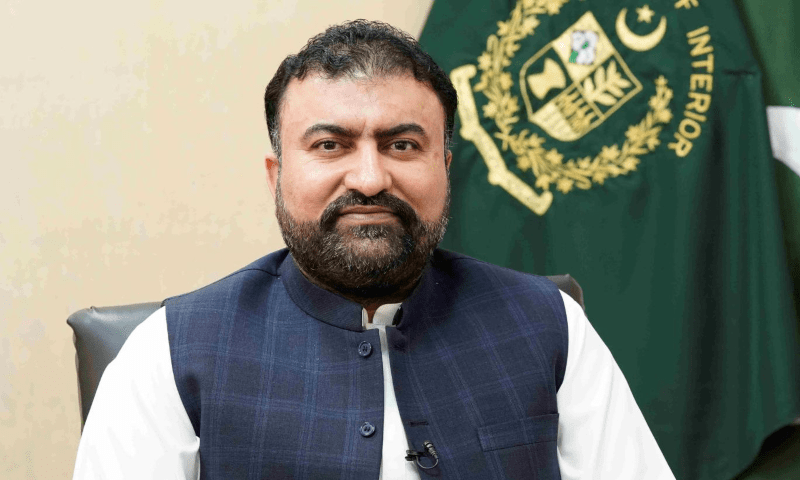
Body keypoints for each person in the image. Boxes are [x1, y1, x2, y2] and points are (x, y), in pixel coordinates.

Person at [72, 20, 675, 479]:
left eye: (402, 145)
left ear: (445, 169)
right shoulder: (167, 351)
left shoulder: (550, 325)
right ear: (276, 176)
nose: (368, 178)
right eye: (330, 145)